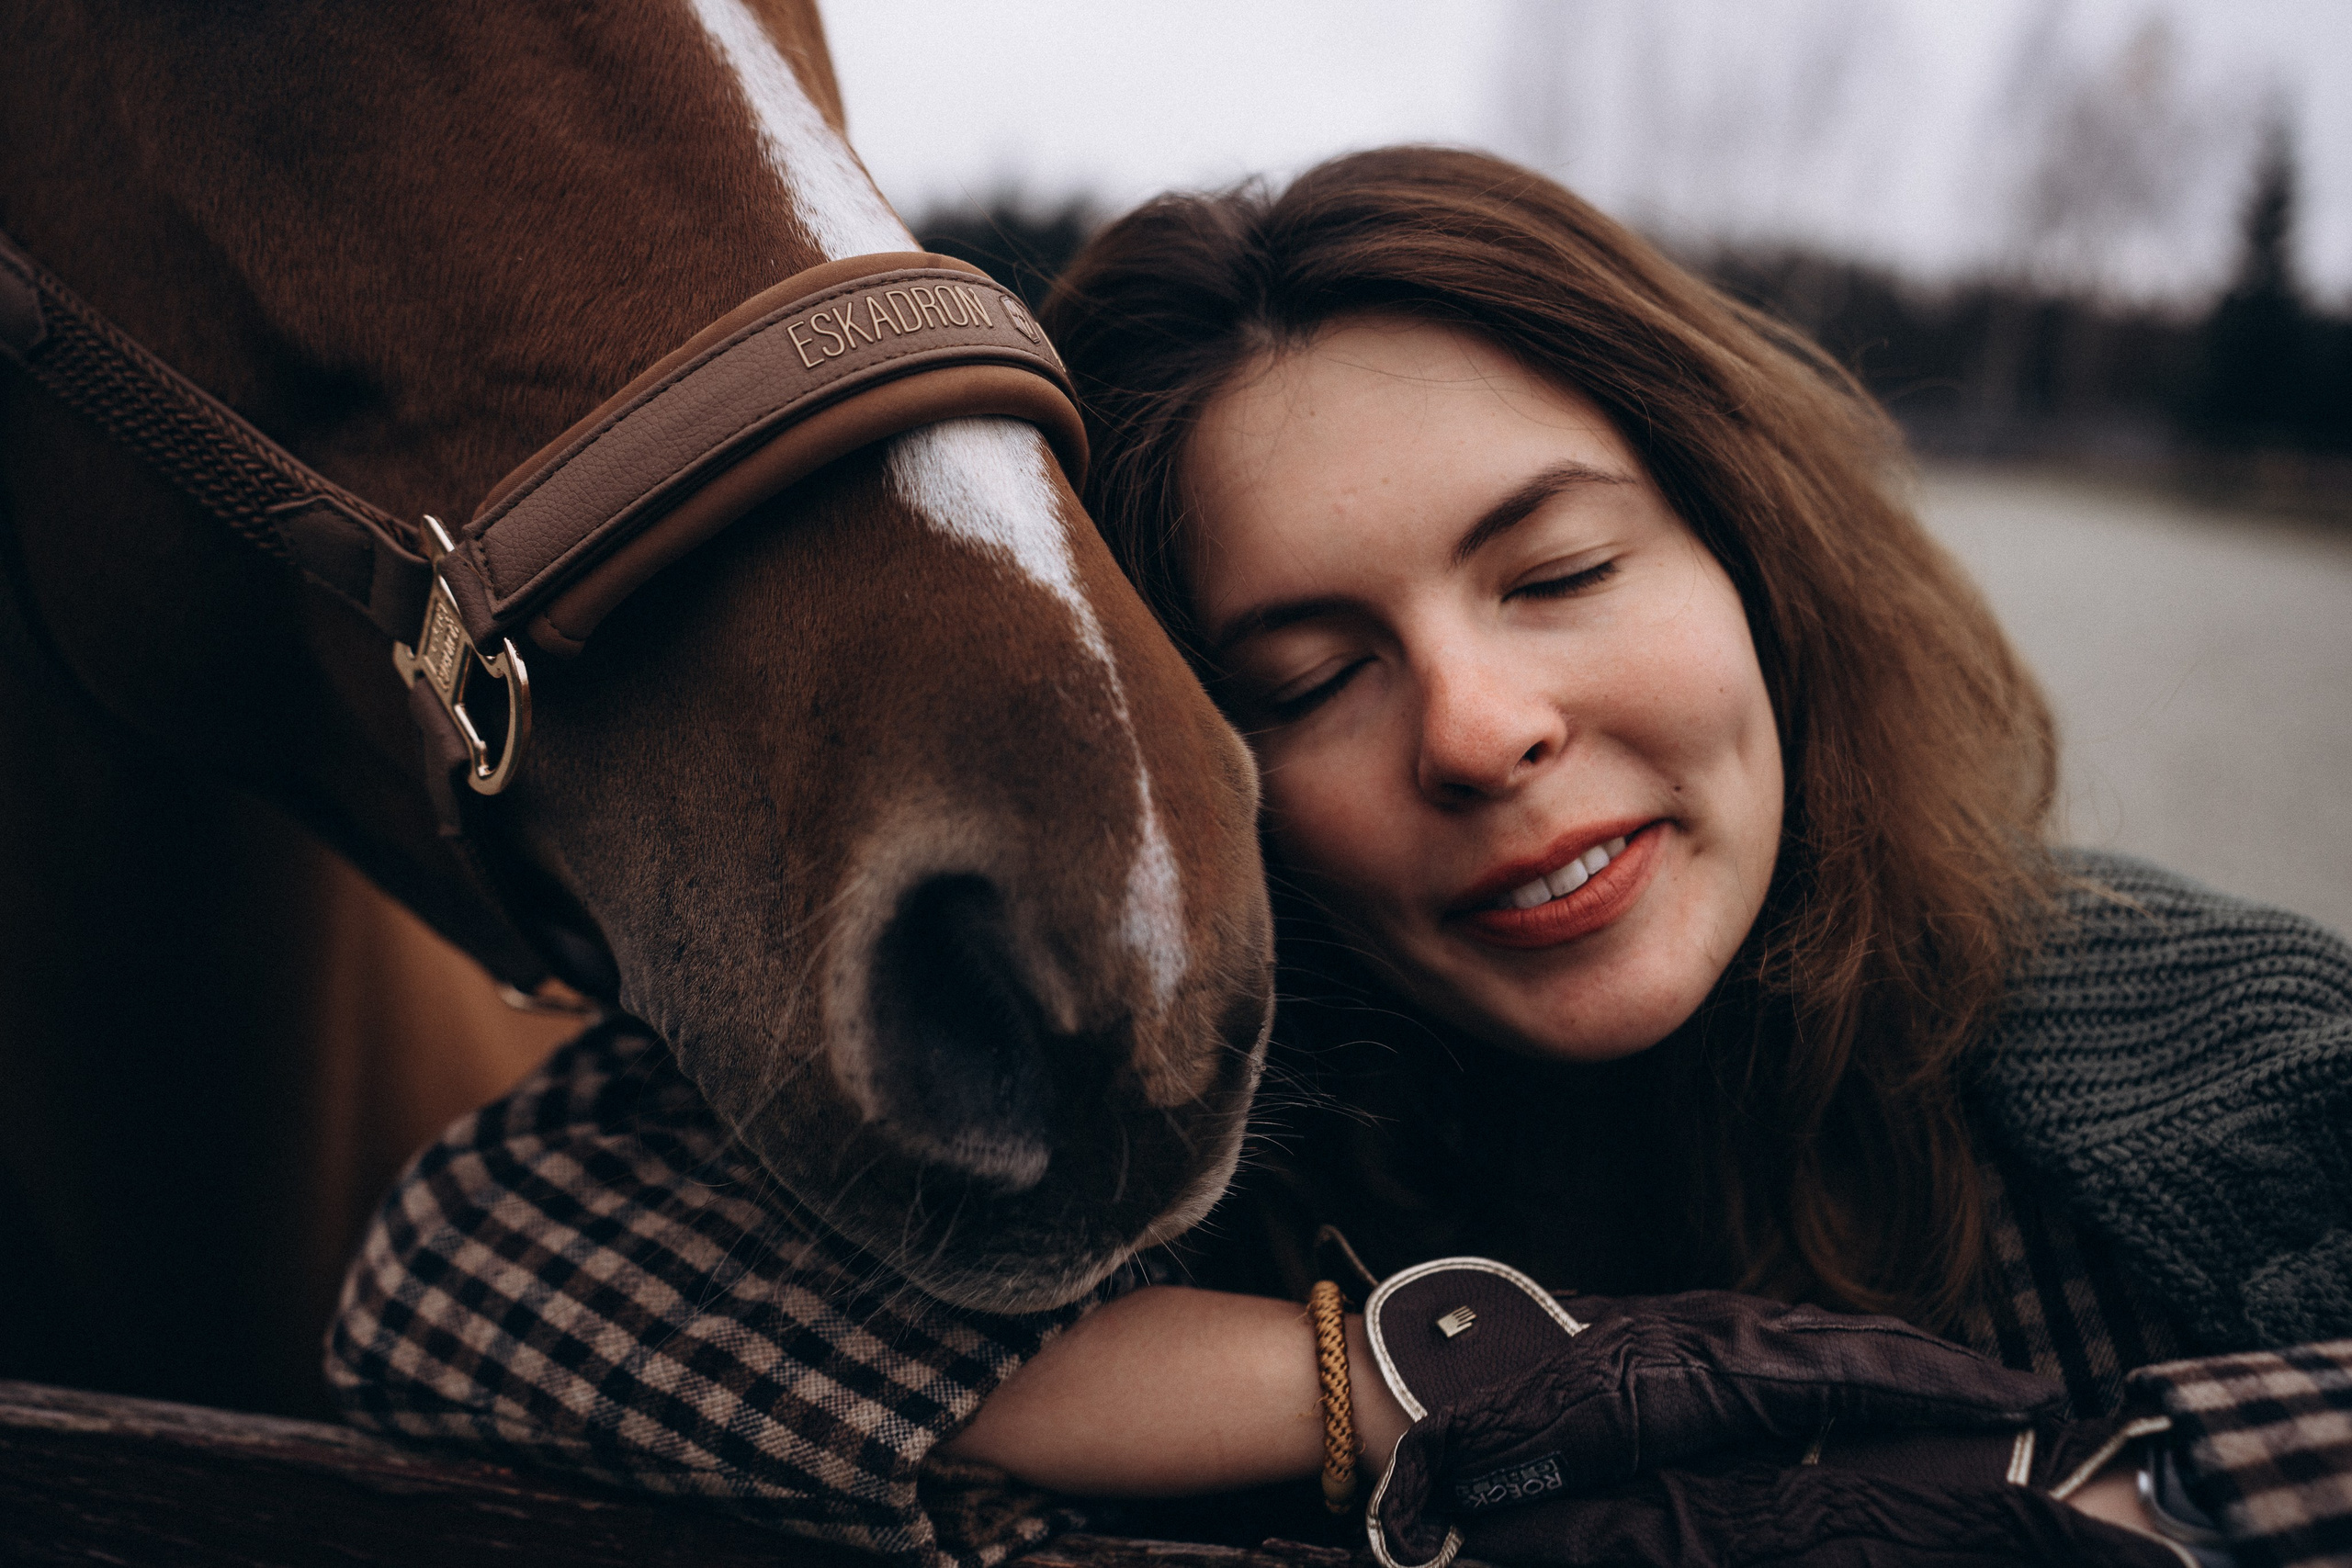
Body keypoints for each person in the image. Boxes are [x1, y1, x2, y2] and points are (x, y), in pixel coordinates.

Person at [331, 148, 2352, 1568]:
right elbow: (476, 1265)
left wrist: (2075, 1495)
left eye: (1555, 571)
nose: (1478, 732)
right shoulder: (1179, 1073)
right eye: (1300, 681)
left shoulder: (2180, 1033)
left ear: (1759, 562)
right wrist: (1448, 1379)